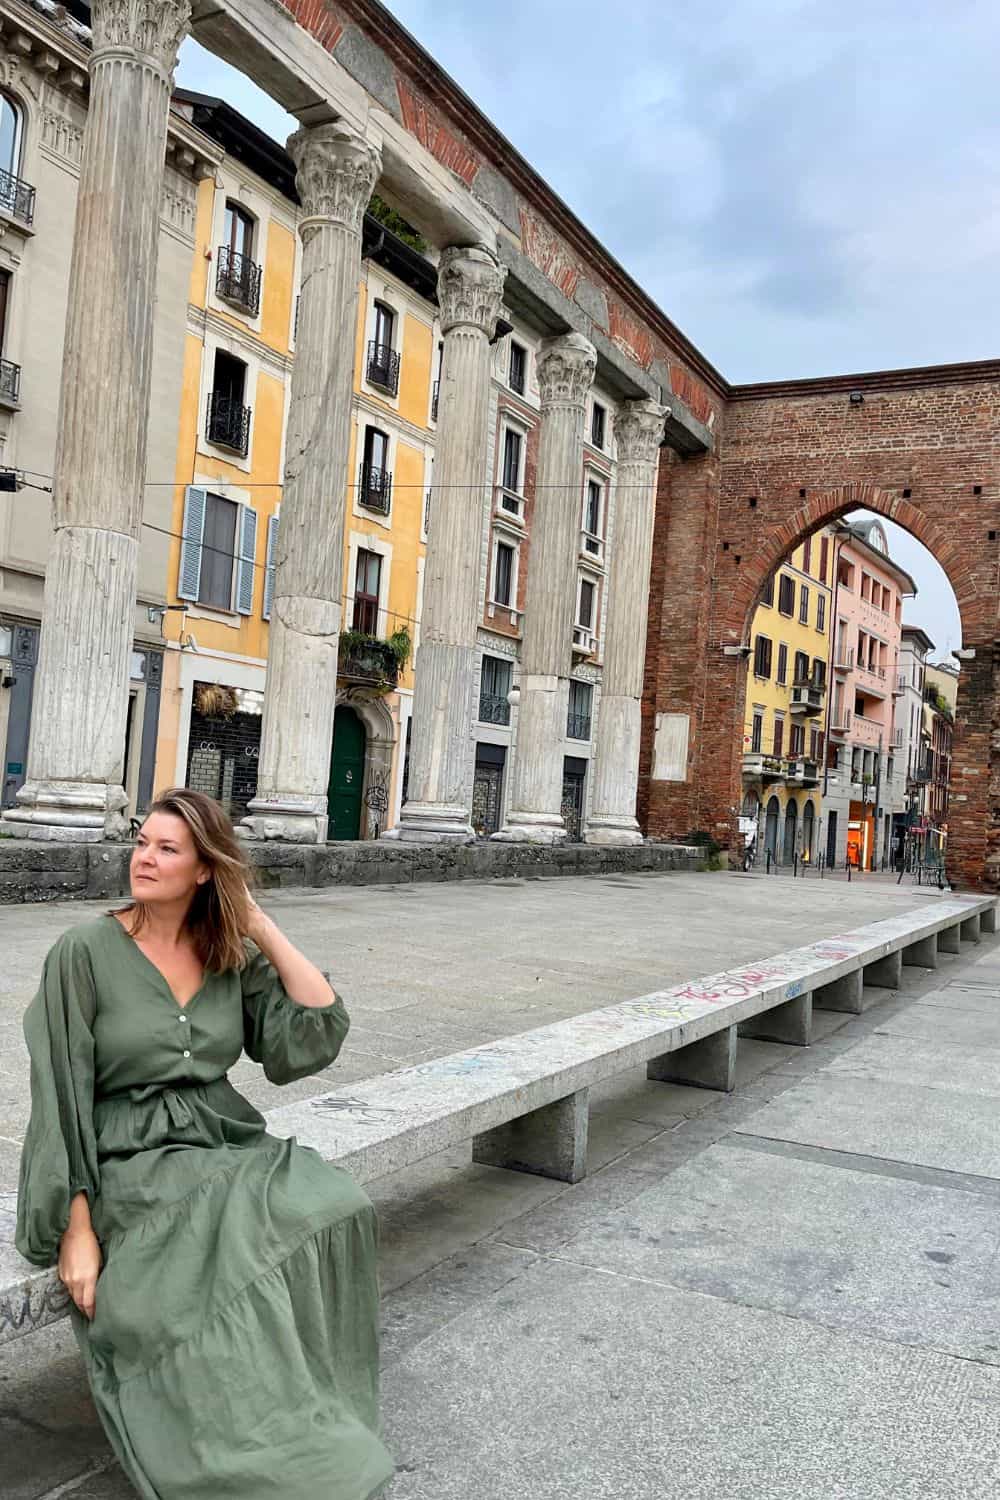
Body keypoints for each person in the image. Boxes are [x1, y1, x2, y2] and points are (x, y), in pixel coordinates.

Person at [15, 788, 394, 1500]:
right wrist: (77, 1230)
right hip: (124, 1154)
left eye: (168, 849)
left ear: (202, 870)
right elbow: (59, 1096)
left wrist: (258, 923)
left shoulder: (225, 950)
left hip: (217, 1136)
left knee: (332, 1203)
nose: (145, 859)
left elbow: (311, 1033)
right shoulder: (84, 953)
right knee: (196, 1270)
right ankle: (222, 1441)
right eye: (142, 842)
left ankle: (291, 1397)